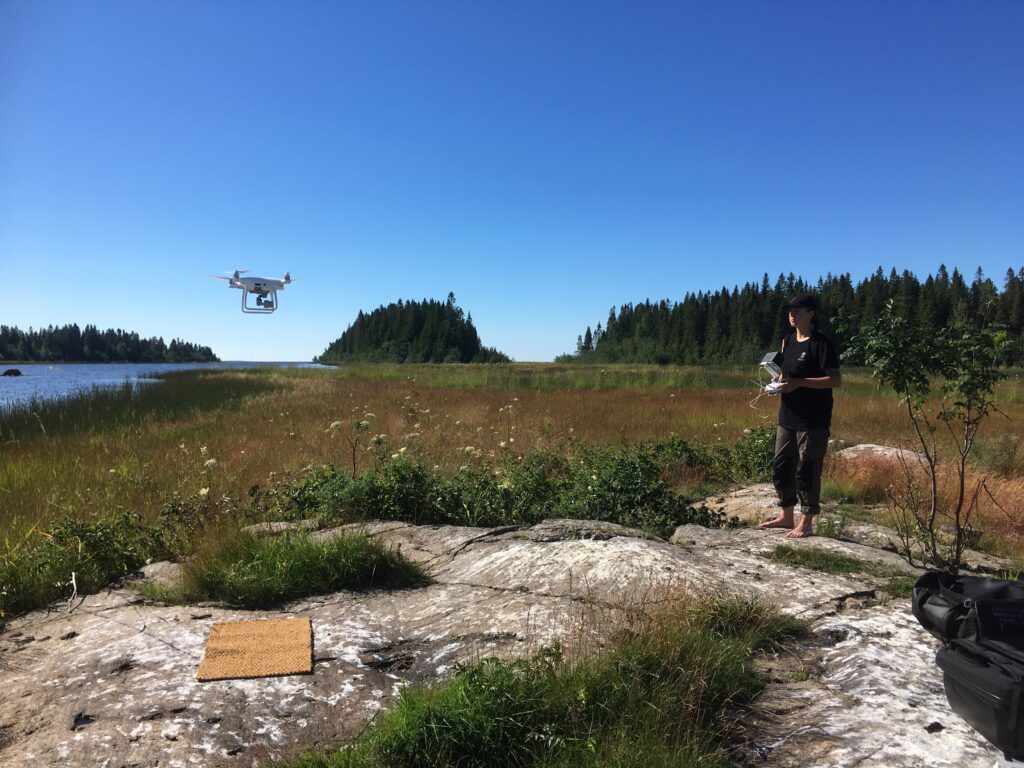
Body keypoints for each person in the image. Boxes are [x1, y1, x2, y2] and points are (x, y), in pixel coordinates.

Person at [760, 294, 841, 538]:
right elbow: (787, 374)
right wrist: (779, 381)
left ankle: (806, 522)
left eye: (797, 310)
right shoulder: (787, 341)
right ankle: (786, 516)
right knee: (782, 466)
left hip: (813, 420)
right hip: (787, 417)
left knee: (807, 469)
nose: (792, 315)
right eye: (789, 311)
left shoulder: (821, 343)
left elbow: (835, 380)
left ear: (811, 313)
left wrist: (799, 383)